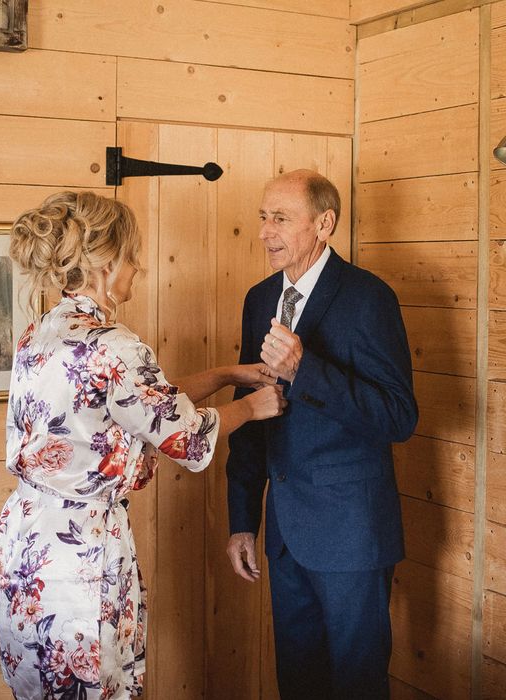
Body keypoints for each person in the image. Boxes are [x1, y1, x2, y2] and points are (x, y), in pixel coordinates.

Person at [0, 191, 286, 699]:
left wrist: (223, 374)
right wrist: (253, 407)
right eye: (132, 255)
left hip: (25, 546)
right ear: (105, 262)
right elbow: (186, 438)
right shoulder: (114, 345)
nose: (139, 267)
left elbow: (135, 405)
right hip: (80, 553)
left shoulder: (41, 333)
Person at [225, 169, 418, 700]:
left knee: (357, 685)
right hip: (285, 536)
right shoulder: (258, 298)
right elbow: (250, 413)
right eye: (263, 217)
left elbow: (400, 417)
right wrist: (243, 519)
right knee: (299, 682)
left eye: (280, 218)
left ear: (325, 224)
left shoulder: (369, 298)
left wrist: (304, 368)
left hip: (352, 534)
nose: (265, 231)